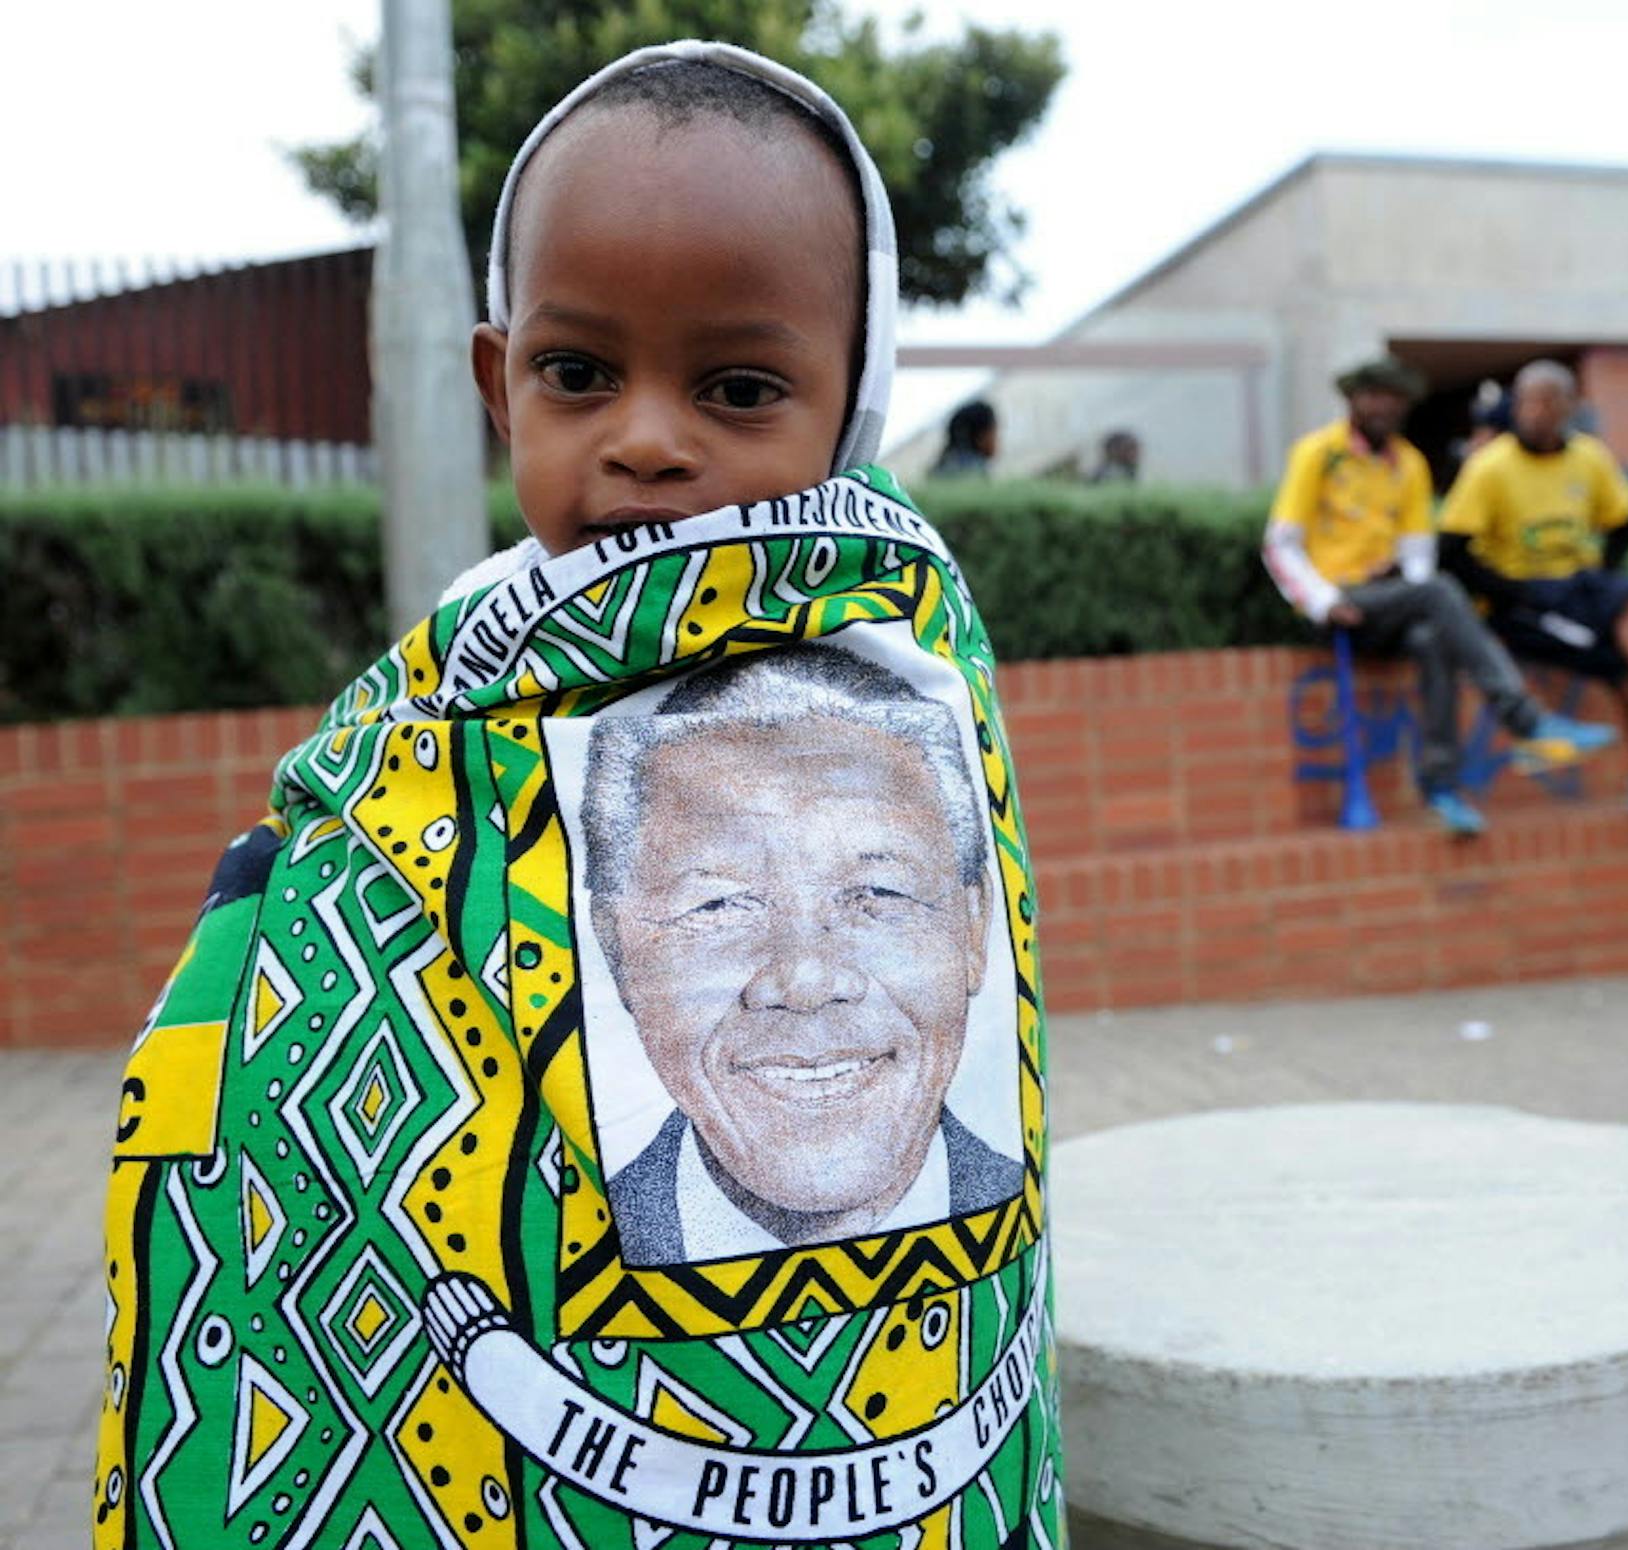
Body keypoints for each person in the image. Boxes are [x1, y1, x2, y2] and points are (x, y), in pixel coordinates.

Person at [100, 42, 1058, 1549]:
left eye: (739, 387)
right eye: (580, 373)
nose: (648, 438)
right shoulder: (461, 676)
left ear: (852, 395)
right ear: (502, 382)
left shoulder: (913, 653)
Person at [587, 648, 1021, 1265]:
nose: (806, 980)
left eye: (878, 893)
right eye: (720, 904)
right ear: (616, 948)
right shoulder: (557, 1247)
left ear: (974, 928)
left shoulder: (1012, 1208)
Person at [1264, 355, 1614, 836]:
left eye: (1393, 397)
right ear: (1354, 400)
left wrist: (1406, 583)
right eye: (1373, 395)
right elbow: (1281, 544)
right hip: (1335, 599)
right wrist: (1323, 601)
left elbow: (1417, 553)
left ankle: (1441, 788)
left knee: (1433, 636)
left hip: (1390, 601)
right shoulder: (1318, 453)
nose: (1383, 406)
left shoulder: (1410, 463)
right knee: (1439, 592)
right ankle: (1525, 718)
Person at [1440, 359, 1628, 827]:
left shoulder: (1589, 456)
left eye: (1548, 401)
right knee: (1613, 655)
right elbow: (1451, 551)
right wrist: (1513, 591)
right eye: (1528, 402)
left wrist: (1602, 572)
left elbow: (1626, 520)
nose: (1537, 412)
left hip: (1577, 581)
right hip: (1522, 598)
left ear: (1570, 406)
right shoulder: (1490, 467)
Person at [931, 398, 999, 477]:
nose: (997, 439)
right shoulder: (975, 471)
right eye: (994, 432)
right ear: (980, 436)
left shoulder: (942, 466)